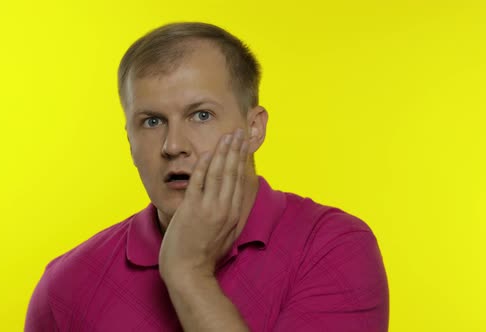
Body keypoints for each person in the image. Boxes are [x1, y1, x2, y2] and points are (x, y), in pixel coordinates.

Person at [25, 22, 389, 332]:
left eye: (200, 115)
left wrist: (189, 274)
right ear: (129, 140)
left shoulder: (332, 247)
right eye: (152, 122)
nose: (173, 145)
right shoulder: (67, 285)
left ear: (253, 129)